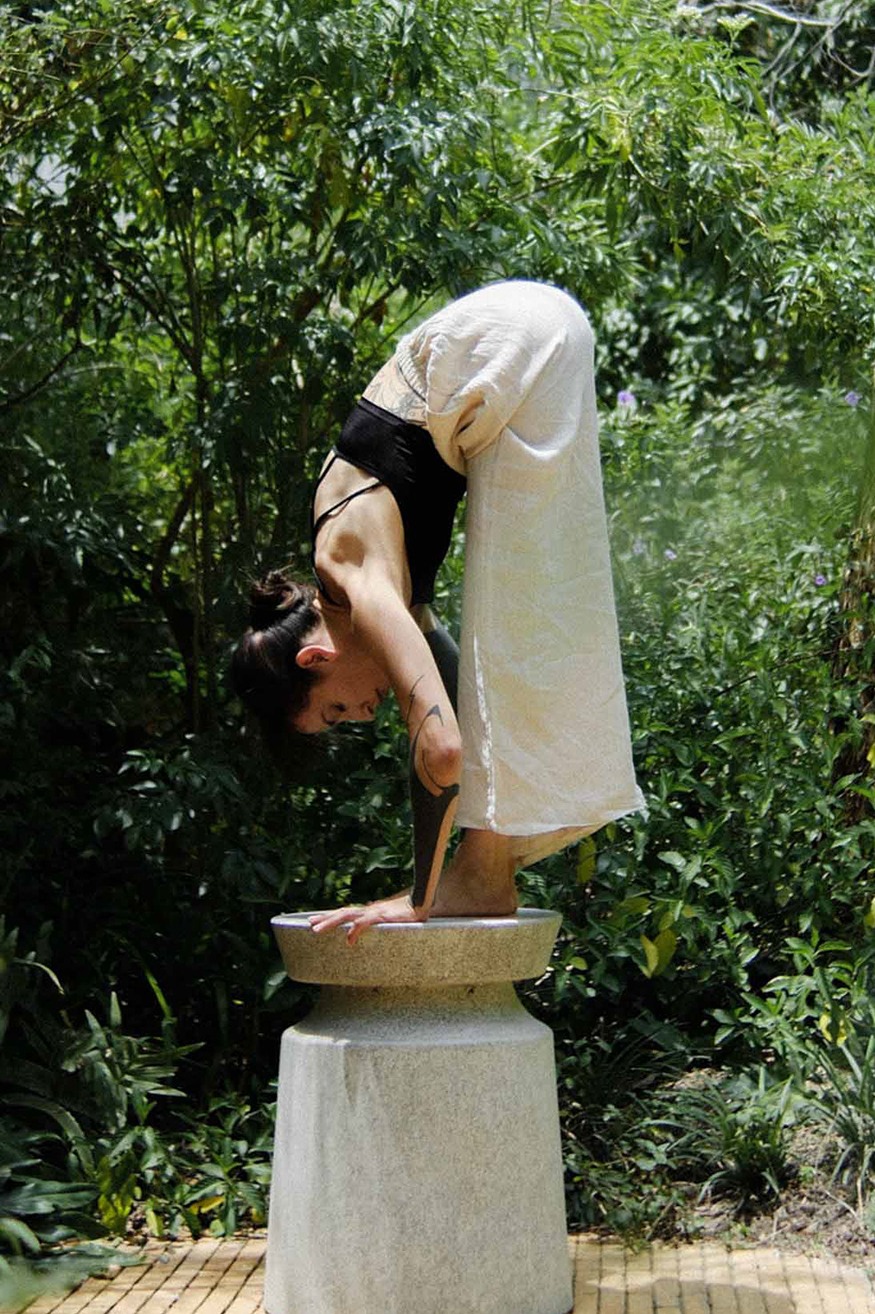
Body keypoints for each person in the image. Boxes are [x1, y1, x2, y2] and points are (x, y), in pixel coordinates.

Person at [229, 281, 643, 938]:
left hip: (507, 347)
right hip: (527, 333)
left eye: (336, 709)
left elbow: (444, 748)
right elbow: (458, 694)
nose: (364, 715)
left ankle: (479, 875)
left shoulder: (356, 578)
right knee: (514, 641)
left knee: (515, 632)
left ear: (315, 657)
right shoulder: (356, 581)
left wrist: (419, 897)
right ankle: (483, 870)